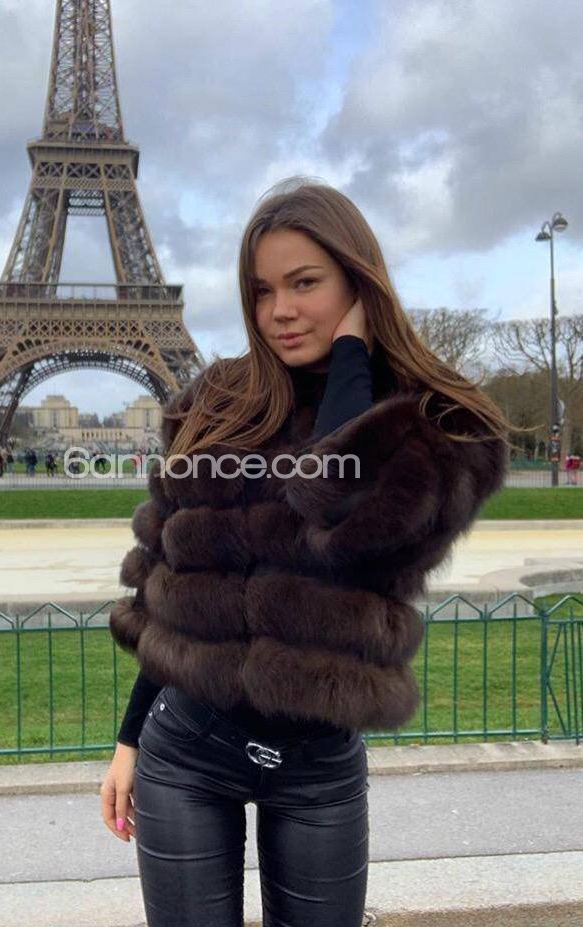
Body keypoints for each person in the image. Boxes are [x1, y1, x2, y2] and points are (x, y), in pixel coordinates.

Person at [102, 179, 513, 927]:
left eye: (305, 283)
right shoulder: (215, 406)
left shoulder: (432, 426)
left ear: (358, 282)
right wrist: (130, 738)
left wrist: (352, 360)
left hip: (316, 764)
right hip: (186, 749)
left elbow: (338, 521)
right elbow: (172, 593)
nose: (280, 311)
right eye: (262, 291)